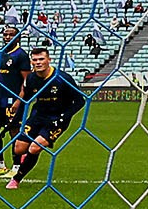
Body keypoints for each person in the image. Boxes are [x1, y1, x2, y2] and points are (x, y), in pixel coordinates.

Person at [5, 47, 87, 192]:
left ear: (49, 60)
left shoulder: (62, 78)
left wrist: (63, 118)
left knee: (35, 148)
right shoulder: (31, 78)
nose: (38, 62)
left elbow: (80, 101)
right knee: (19, 149)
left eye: (41, 59)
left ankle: (16, 179)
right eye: (35, 60)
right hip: (38, 116)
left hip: (56, 119)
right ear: (31, 62)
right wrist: (16, 117)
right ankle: (27, 157)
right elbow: (28, 99)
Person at [0, 22, 36, 181]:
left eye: (11, 34)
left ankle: (16, 167)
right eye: (5, 34)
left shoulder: (21, 55)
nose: (7, 37)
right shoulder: (1, 53)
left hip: (14, 99)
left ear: (18, 37)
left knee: (15, 132)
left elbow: (27, 80)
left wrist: (19, 100)